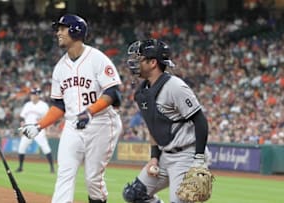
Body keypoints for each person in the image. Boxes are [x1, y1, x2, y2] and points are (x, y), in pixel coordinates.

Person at [20, 14, 123, 203]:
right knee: (64, 174)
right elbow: (59, 106)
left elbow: (113, 93)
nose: (58, 32)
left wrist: (90, 112)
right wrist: (39, 126)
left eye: (62, 28)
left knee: (93, 179)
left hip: (101, 124)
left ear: (76, 30)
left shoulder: (97, 59)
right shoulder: (60, 68)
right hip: (73, 126)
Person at [122, 39, 210, 203]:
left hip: (186, 155)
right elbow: (153, 127)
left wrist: (199, 160)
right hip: (164, 156)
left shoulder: (175, 87)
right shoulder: (143, 92)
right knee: (134, 194)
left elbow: (200, 121)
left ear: (153, 62)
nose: (135, 63)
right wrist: (154, 157)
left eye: (140, 59)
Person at [16, 87, 55, 173]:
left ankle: (52, 167)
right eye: (31, 94)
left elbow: (48, 118)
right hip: (28, 130)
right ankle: (20, 167)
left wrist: (48, 130)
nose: (32, 96)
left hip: (39, 129)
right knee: (21, 147)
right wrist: (22, 128)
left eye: (34, 94)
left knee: (45, 148)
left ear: (38, 95)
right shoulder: (27, 105)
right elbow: (22, 118)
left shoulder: (43, 105)